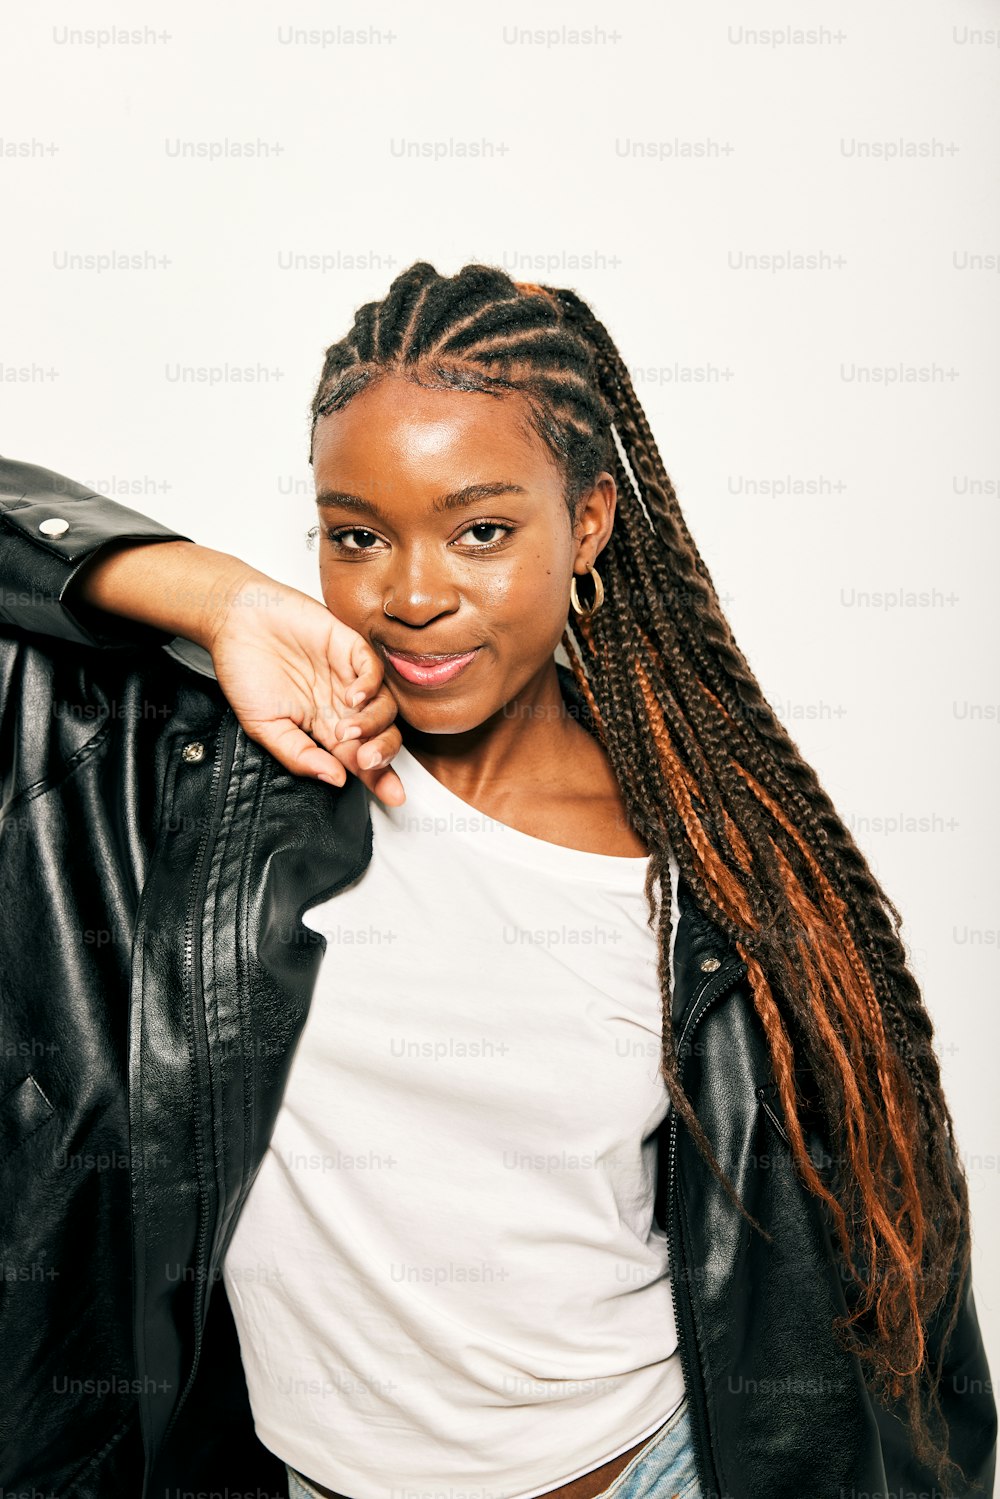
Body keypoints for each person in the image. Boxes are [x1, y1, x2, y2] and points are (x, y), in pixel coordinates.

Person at [0, 261, 994, 1499]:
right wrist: (223, 601)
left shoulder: (712, 875)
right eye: (355, 534)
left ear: (586, 522)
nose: (413, 594)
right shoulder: (228, 771)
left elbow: (890, 1294)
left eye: (481, 529)